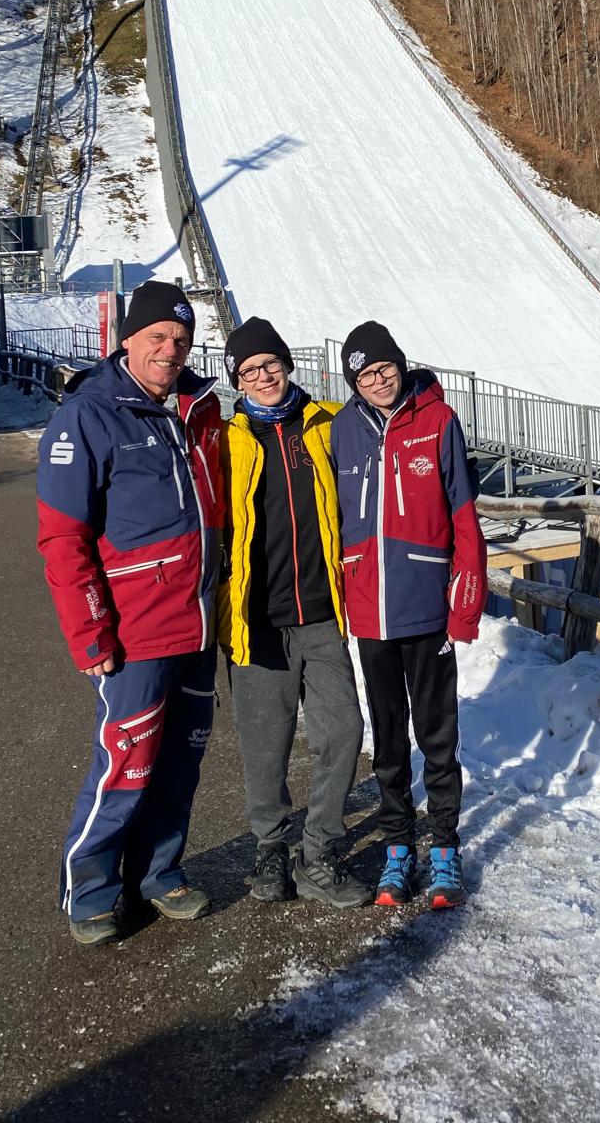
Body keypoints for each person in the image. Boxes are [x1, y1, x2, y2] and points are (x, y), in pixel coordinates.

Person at [37, 281, 224, 946]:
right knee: (126, 764)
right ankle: (91, 890)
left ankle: (157, 873)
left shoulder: (200, 409)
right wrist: (90, 632)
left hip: (198, 626)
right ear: (128, 340)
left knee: (181, 764)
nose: (170, 350)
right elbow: (63, 537)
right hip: (136, 630)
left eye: (181, 340)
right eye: (158, 337)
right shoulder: (88, 416)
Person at [330, 321, 487, 908]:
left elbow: (465, 516)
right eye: (365, 375)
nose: (378, 381)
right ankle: (399, 845)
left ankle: (443, 846)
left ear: (400, 365)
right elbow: (335, 517)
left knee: (437, 735)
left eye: (385, 368)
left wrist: (464, 604)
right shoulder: (342, 429)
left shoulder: (438, 421)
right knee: (389, 739)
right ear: (353, 383)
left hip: (426, 607)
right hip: (370, 612)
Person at [218, 317, 370, 908]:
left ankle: (319, 851)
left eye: (270, 364)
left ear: (287, 365)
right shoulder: (225, 440)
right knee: (266, 745)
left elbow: (390, 423)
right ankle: (270, 847)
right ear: (237, 379)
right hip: (257, 620)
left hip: (322, 617)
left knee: (344, 731)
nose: (262, 376)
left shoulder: (328, 424)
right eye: (249, 370)